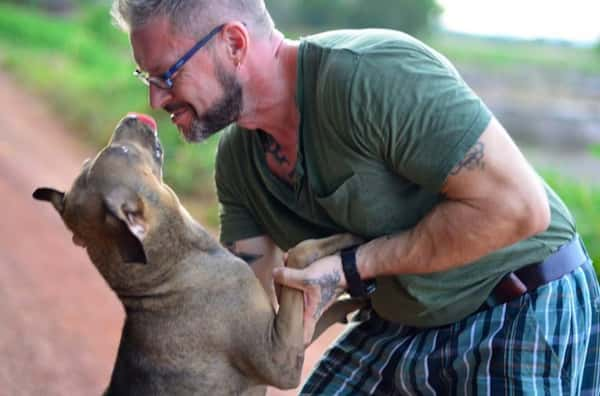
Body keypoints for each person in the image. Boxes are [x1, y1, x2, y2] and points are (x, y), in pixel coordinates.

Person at [111, 1, 600, 394]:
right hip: (403, 320)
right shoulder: (239, 164)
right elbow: (253, 327)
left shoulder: (371, 76)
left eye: (165, 74)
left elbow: (520, 208)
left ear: (234, 44)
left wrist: (349, 268)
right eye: (147, 80)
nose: (156, 98)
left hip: (517, 303)